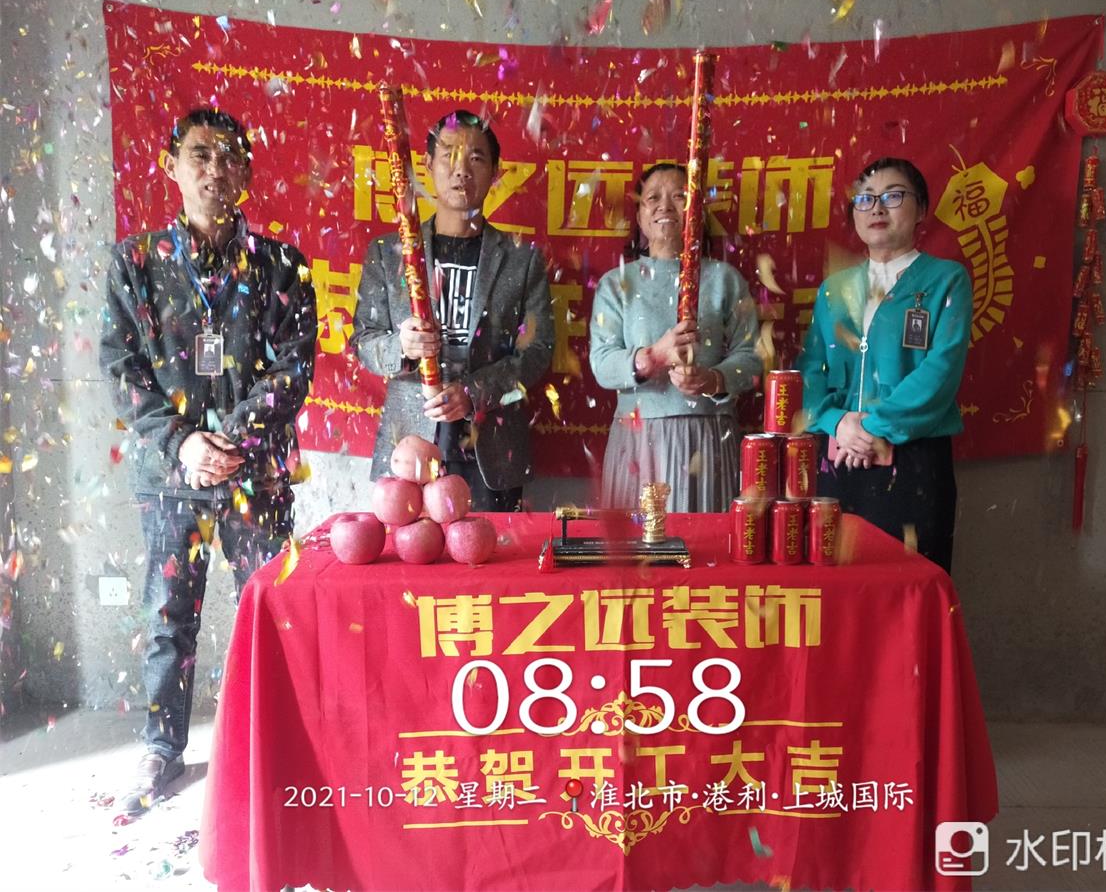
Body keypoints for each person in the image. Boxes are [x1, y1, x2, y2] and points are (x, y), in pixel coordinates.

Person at [101, 108, 317, 812]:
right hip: (171, 479)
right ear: (172, 167)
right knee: (169, 616)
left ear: (247, 172)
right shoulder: (135, 263)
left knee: (274, 610)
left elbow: (293, 369)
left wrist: (231, 442)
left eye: (229, 157)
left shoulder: (283, 266)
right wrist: (184, 444)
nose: (215, 169)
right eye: (200, 155)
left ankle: (281, 745)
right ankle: (161, 749)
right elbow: (122, 369)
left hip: (257, 474)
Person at [353, 110, 554, 511]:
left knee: (490, 550)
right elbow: (363, 341)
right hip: (409, 442)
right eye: (449, 156)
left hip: (492, 444)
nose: (462, 170)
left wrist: (475, 392)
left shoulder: (522, 260)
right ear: (428, 165)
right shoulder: (388, 253)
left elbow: (537, 351)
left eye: (476, 158)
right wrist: (401, 345)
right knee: (407, 550)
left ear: (496, 172)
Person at [795, 157, 971, 573]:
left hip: (913, 461)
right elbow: (811, 371)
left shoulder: (946, 280)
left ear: (921, 208)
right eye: (865, 198)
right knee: (837, 585)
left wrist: (872, 428)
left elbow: (940, 372)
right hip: (837, 458)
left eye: (893, 196)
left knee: (909, 583)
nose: (876, 208)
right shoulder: (835, 289)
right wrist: (838, 422)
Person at [589, 162, 761, 512]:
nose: (665, 206)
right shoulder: (616, 283)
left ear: (698, 212)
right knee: (637, 544)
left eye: (680, 196)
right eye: (653, 198)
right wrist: (654, 357)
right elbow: (602, 364)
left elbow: (752, 358)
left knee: (706, 542)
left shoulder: (725, 279)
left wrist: (713, 379)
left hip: (708, 437)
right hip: (637, 440)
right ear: (640, 217)